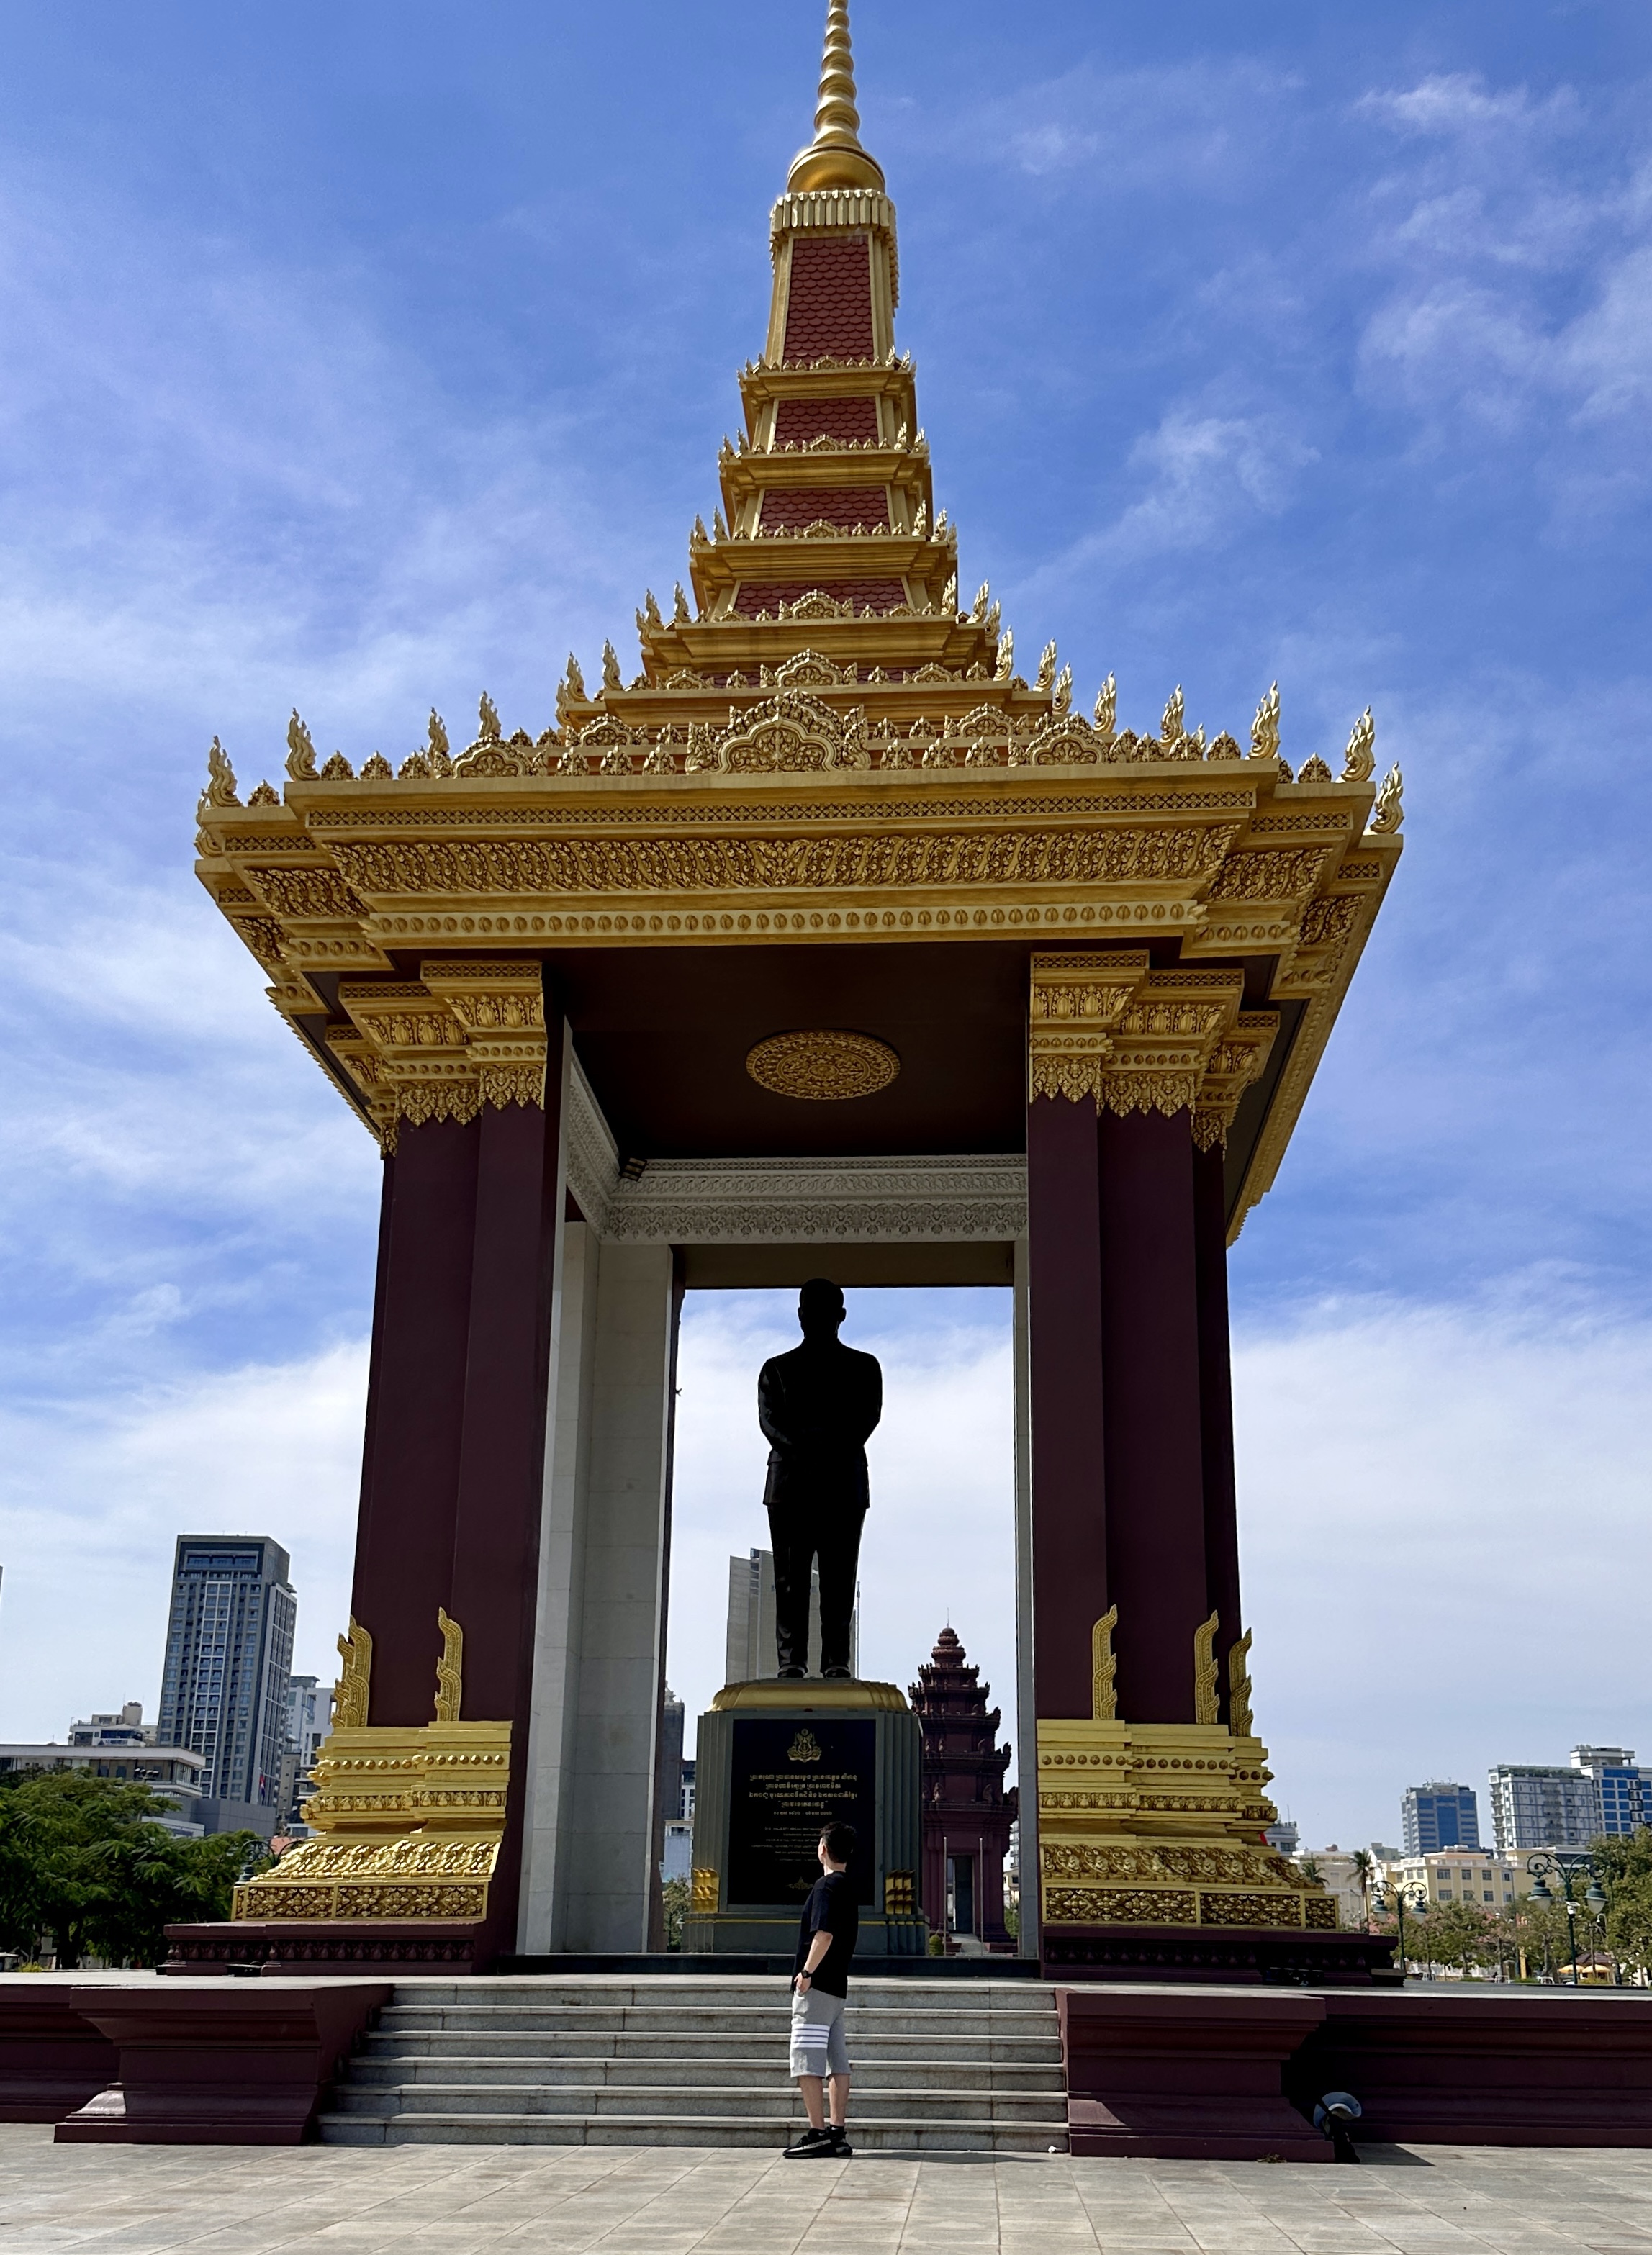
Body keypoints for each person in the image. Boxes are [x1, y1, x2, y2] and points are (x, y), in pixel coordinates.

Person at [758, 1279, 882, 1678]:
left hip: (832, 1485)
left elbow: (867, 1419)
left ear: (839, 1317)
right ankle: (792, 1662)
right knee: (791, 1581)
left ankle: (836, 1662)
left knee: (838, 1581)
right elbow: (769, 1422)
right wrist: (822, 1449)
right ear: (801, 1317)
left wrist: (804, 1449)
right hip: (807, 1484)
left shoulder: (865, 1367)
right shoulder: (776, 1370)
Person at [784, 1820, 858, 2158]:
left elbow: (823, 1934)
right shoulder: (848, 1888)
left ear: (823, 1849)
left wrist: (806, 1973)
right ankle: (837, 2132)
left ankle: (816, 2132)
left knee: (807, 2061)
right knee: (837, 2062)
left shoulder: (825, 1888)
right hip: (837, 1990)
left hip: (817, 1989)